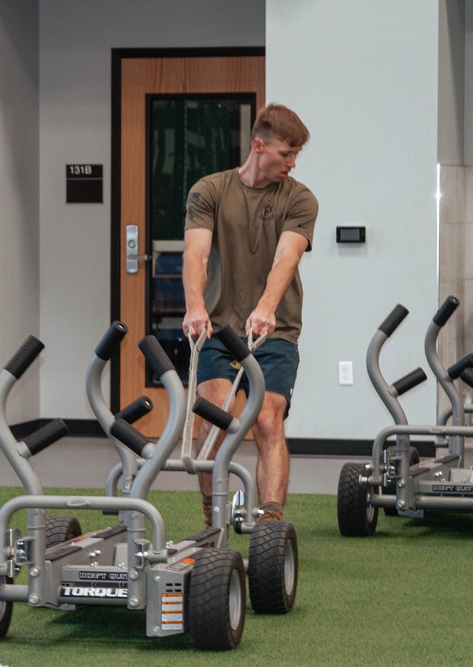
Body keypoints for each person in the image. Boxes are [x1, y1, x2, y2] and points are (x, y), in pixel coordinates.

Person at [181, 103, 318, 525]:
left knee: (266, 419)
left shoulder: (300, 198)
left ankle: (272, 528)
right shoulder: (210, 190)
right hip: (218, 329)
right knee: (216, 413)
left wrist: (266, 306)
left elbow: (286, 257)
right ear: (259, 146)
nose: (292, 163)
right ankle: (212, 515)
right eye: (286, 153)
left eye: (297, 155)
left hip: (275, 330)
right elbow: (197, 252)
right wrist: (195, 305)